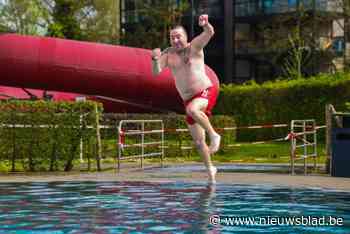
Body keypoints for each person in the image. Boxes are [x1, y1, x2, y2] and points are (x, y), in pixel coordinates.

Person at [151, 14, 220, 183]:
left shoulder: (194, 47)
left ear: (186, 37)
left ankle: (215, 135)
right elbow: (156, 71)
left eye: (178, 37)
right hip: (188, 99)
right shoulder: (168, 54)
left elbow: (209, 33)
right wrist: (154, 59)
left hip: (206, 91)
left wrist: (206, 25)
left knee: (192, 110)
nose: (175, 40)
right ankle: (210, 169)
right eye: (172, 37)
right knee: (198, 142)